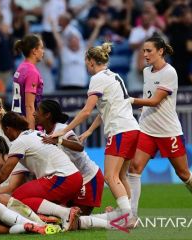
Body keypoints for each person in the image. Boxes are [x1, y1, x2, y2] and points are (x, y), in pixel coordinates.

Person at [51, 42, 140, 223]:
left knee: (110, 176)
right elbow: (105, 109)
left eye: (86, 62)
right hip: (132, 128)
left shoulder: (97, 78)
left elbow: (86, 111)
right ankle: (131, 214)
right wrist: (90, 131)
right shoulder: (115, 76)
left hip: (119, 130)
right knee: (121, 176)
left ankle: (128, 216)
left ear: (91, 61)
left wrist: (64, 130)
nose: (86, 66)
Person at [127, 34, 192, 221]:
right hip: (147, 128)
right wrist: (138, 107)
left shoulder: (170, 72)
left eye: (149, 51)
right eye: (144, 51)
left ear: (160, 51)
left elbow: (156, 100)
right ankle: (132, 215)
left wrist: (130, 100)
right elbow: (148, 97)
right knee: (134, 167)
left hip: (168, 131)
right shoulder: (146, 72)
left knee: (183, 173)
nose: (145, 54)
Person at [0, 111, 83, 231]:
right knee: (24, 199)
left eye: (4, 131)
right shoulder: (35, 133)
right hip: (72, 176)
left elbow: (2, 176)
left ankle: (64, 214)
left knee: (17, 197)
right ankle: (63, 217)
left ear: (8, 129)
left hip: (63, 178)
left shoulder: (19, 142)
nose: (6, 135)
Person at [34, 99, 104, 215]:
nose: (34, 113)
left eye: (37, 110)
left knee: (77, 220)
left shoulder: (61, 129)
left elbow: (79, 146)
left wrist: (59, 140)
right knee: (62, 217)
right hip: (71, 182)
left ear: (47, 115)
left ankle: (112, 217)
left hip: (88, 178)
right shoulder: (46, 133)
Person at [11, 34, 44, 129]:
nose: (43, 51)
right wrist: (31, 133)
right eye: (41, 48)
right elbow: (29, 106)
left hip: (18, 120)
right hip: (26, 123)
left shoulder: (21, 67)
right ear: (34, 51)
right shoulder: (32, 72)